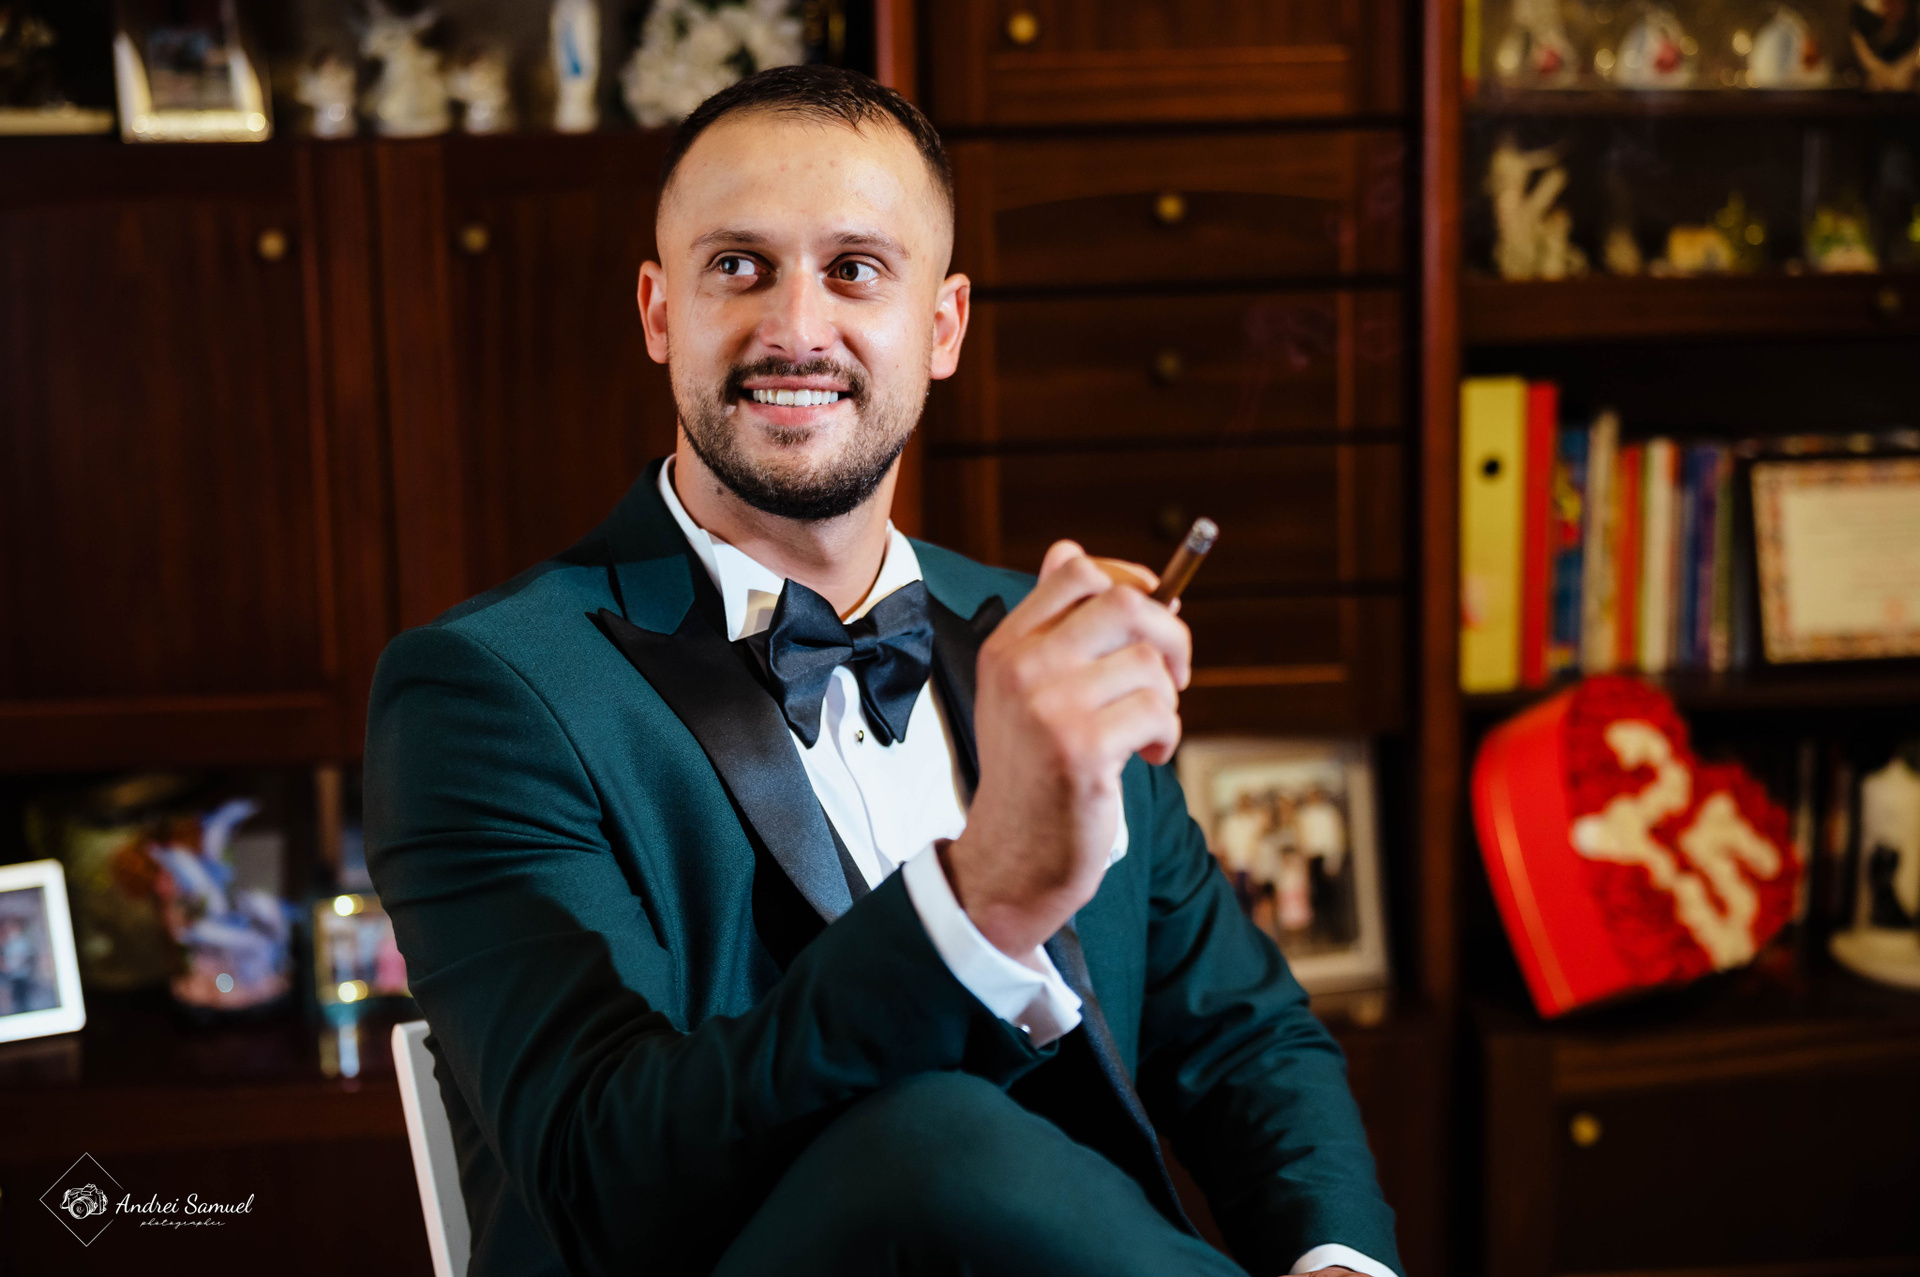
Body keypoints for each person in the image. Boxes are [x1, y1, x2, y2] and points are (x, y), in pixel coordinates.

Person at [365, 65, 1399, 1277]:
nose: (797, 328)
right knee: (935, 1135)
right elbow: (604, 1173)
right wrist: (982, 900)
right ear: (659, 312)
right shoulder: (482, 693)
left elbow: (1245, 1040)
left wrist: (1340, 1262)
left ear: (943, 327)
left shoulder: (1044, 642)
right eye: (738, 266)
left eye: (855, 269)